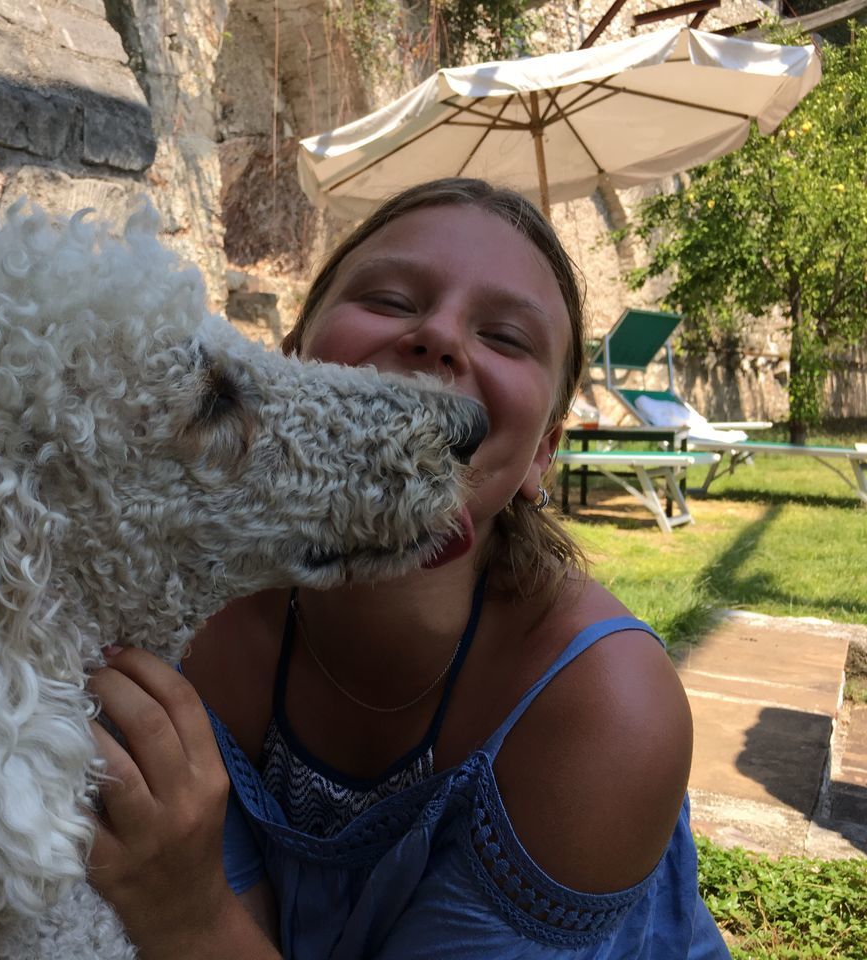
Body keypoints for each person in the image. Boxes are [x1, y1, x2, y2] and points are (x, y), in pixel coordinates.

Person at [86, 178, 730, 959]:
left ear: (545, 452)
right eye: (391, 300)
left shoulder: (605, 707)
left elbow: (192, 919)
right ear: (292, 361)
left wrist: (186, 915)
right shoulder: (188, 623)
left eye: (507, 337)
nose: (441, 335)